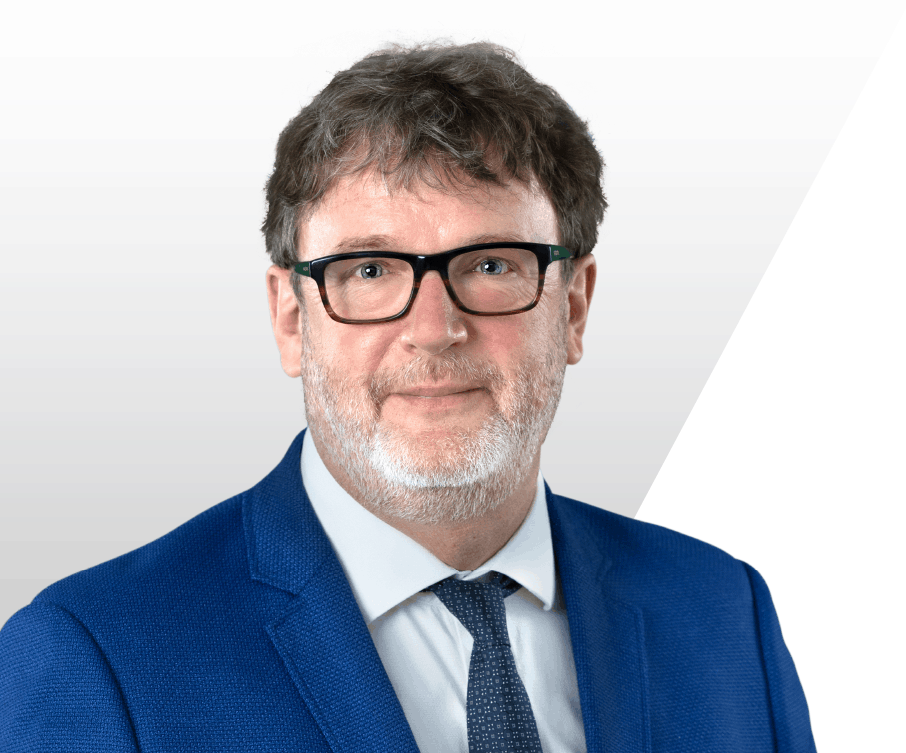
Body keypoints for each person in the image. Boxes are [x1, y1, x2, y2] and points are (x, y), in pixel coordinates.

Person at [0, 42, 815, 752]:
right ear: (291, 318)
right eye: (370, 270)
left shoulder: (723, 612)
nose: (434, 329)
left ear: (573, 307)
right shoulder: (96, 657)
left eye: (491, 265)